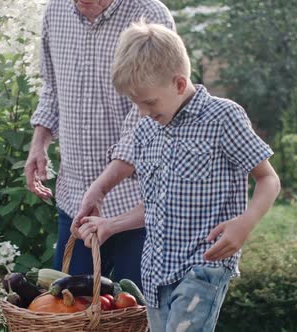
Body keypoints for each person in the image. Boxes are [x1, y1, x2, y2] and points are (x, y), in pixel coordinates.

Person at [75, 21, 281, 331]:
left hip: (204, 265)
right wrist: (110, 224)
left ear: (179, 83)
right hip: (156, 271)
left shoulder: (222, 117)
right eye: (136, 103)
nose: (143, 112)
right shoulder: (147, 129)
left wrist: (245, 223)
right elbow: (155, 206)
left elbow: (269, 179)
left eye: (150, 102)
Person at [24, 0, 174, 290]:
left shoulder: (150, 15)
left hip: (136, 209)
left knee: (134, 313)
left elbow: (146, 119)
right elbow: (52, 89)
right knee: (67, 310)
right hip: (76, 202)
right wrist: (39, 144)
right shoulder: (56, 12)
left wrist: (101, 186)